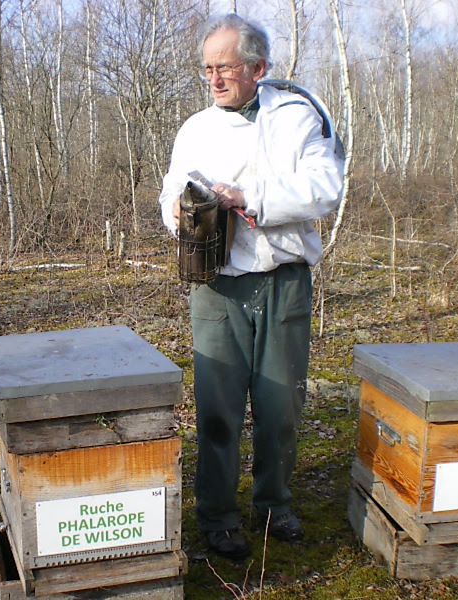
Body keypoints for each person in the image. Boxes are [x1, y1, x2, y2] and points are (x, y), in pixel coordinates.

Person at [158, 14, 344, 559]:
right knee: (218, 409)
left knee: (280, 405)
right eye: (207, 69)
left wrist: (248, 196)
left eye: (225, 67)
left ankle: (273, 502)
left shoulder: (297, 116)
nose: (214, 79)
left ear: (258, 67)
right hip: (217, 286)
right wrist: (179, 212)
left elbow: (324, 187)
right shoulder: (196, 128)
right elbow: (170, 192)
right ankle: (217, 516)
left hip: (284, 282)